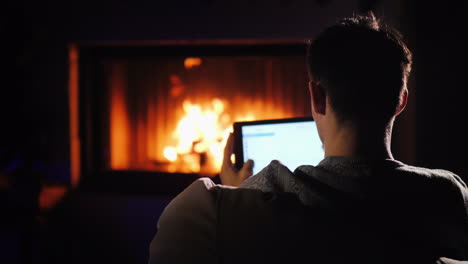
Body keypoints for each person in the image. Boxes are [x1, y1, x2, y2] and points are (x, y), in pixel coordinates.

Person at [148, 13, 468, 264]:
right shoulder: (447, 196)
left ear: (316, 96)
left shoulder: (236, 205)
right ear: (401, 101)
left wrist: (234, 189)